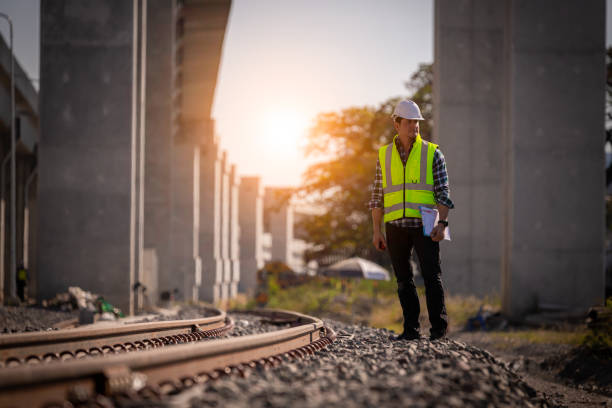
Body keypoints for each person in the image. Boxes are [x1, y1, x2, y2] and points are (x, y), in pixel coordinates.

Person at [369, 99, 454, 341]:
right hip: (395, 226)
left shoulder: (432, 153)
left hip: (426, 223)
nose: (414, 127)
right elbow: (376, 196)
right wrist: (376, 231)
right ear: (397, 124)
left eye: (416, 123)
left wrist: (442, 223)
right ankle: (411, 330)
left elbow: (443, 193)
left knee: (431, 277)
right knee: (404, 280)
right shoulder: (384, 156)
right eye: (408, 123)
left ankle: (438, 331)